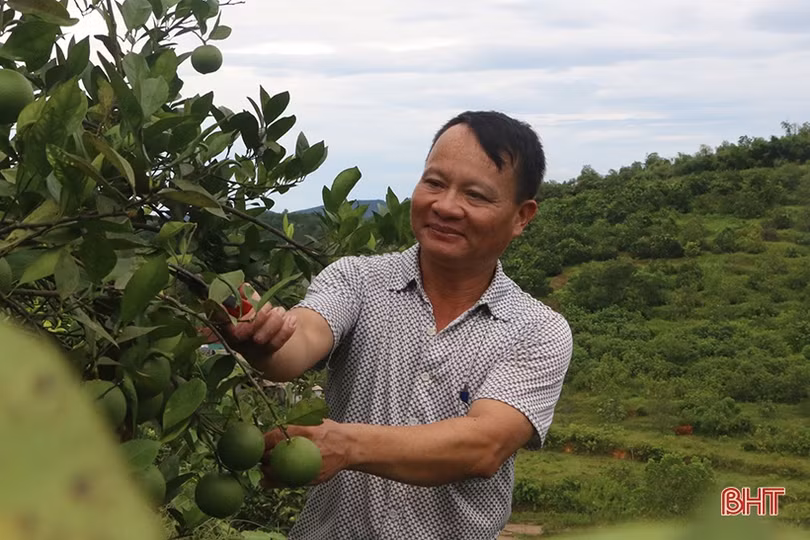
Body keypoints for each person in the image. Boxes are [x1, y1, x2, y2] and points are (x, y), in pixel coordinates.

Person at [220, 110, 573, 539]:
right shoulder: (356, 280)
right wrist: (262, 337)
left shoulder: (537, 330)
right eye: (434, 183)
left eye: (476, 195)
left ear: (522, 216)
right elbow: (299, 343)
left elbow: (484, 446)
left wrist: (347, 447)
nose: (445, 206)